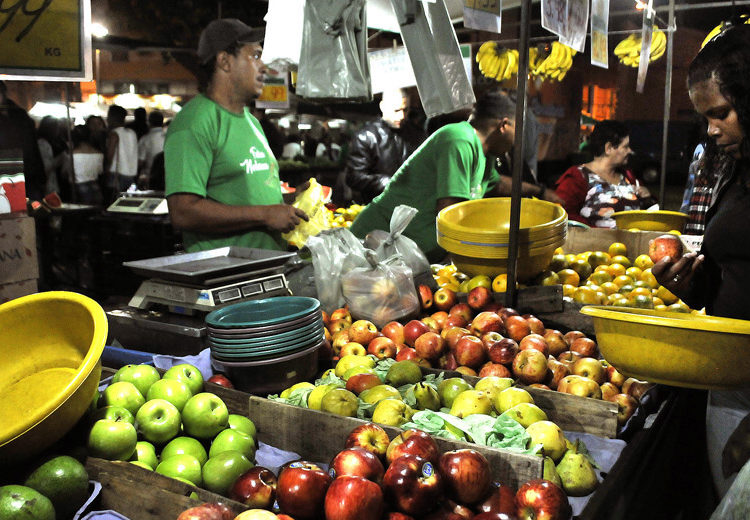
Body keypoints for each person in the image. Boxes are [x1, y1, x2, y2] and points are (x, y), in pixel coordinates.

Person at [652, 23, 750, 508]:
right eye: (705, 118)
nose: (711, 130)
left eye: (722, 113)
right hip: (732, 382)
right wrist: (689, 285)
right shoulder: (740, 170)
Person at [350, 90, 560, 263]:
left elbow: (497, 185)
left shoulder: (484, 155)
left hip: (405, 260)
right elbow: (450, 214)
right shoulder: (458, 140)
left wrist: (540, 192)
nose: (518, 142)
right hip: (373, 250)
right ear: (504, 125)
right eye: (518, 131)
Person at [164, 18, 307, 253]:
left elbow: (242, 196)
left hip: (265, 269)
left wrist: (288, 203)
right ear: (225, 62)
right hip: (224, 275)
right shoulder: (194, 122)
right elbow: (182, 211)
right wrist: (264, 215)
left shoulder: (252, 122)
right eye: (255, 56)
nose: (264, 67)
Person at [554, 120, 654, 227]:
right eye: (625, 147)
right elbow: (562, 215)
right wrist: (592, 232)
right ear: (609, 148)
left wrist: (647, 199)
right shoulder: (577, 177)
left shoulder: (628, 176)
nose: (630, 151)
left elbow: (647, 212)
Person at [340, 88, 426, 204]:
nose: (401, 116)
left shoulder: (417, 134)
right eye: (396, 110)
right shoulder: (366, 136)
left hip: (412, 203)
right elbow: (354, 177)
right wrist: (386, 182)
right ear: (383, 107)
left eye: (406, 110)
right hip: (377, 206)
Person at [0, 80, 46, 202]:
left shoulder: (19, 115)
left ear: (3, 94)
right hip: (6, 176)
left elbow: (32, 147)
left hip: (27, 173)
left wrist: (40, 175)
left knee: (31, 211)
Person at [105, 104, 139, 200]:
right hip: (131, 174)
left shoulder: (114, 134)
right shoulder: (132, 133)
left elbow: (109, 156)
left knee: (114, 203)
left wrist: (106, 172)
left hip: (116, 175)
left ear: (112, 117)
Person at [69, 125, 104, 206]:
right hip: (95, 186)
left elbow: (67, 172)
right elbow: (100, 171)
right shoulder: (98, 153)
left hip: (78, 186)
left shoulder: (72, 154)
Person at [137, 110, 166, 189]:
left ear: (149, 122)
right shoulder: (169, 137)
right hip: (168, 176)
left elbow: (140, 161)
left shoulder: (145, 139)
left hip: (150, 176)